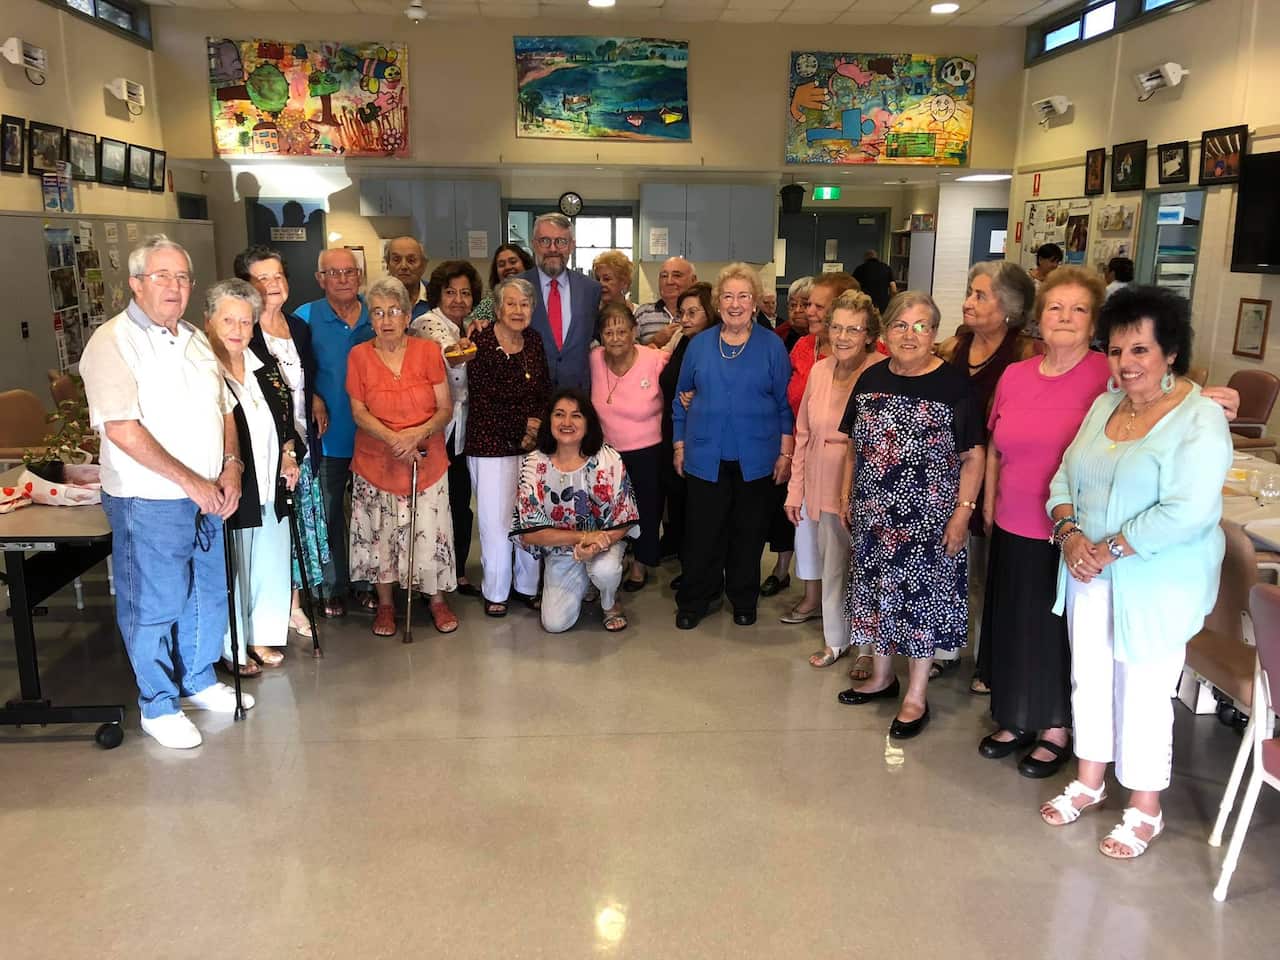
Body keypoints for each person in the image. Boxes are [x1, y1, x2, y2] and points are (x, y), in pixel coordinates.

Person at [981, 268, 1241, 778]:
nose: (1064, 318)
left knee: (1090, 658)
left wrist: (1214, 398)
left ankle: (1074, 742)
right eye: (1055, 307)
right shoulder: (1037, 379)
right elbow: (1012, 451)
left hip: (1112, 551)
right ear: (1038, 316)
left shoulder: (1110, 374)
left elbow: (1171, 400)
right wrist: (1002, 509)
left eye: (1078, 309)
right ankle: (1039, 735)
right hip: (1041, 526)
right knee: (1043, 641)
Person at [1040, 285, 1232, 860]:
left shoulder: (1199, 418)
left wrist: (1112, 548)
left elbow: (1190, 510)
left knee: (1144, 691)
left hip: (1155, 582)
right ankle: (1090, 780)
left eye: (1141, 350)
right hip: (1085, 571)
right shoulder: (1105, 405)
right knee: (1089, 677)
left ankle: (1145, 806)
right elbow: (1064, 476)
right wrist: (1071, 534)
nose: (1126, 363)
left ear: (1170, 352)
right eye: (1119, 350)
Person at [80, 235, 249, 749]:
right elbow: (123, 430)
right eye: (161, 276)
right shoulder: (111, 343)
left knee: (206, 592)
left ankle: (197, 680)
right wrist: (193, 482)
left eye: (182, 277)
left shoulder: (196, 337)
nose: (174, 287)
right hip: (149, 499)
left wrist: (231, 467)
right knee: (154, 601)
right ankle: (157, 703)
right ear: (135, 283)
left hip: (210, 494)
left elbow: (224, 411)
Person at [836, 292, 985, 740]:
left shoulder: (955, 386)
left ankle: (916, 695)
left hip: (928, 521)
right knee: (879, 598)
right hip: (872, 515)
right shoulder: (871, 377)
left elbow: (974, 457)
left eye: (921, 326)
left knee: (920, 607)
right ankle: (883, 677)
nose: (910, 335)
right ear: (884, 333)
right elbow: (852, 445)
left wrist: (962, 514)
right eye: (900, 325)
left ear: (934, 333)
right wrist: (846, 494)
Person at [936, 260, 1042, 689]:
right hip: (948, 473)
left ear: (1010, 307)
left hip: (999, 476)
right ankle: (942, 647)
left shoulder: (1026, 354)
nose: (967, 302)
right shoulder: (953, 346)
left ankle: (985, 659)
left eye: (980, 295)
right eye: (970, 293)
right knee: (946, 565)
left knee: (987, 572)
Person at [672, 264, 793, 629]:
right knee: (702, 534)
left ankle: (743, 597)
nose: (735, 304)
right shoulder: (699, 344)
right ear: (717, 302)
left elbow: (785, 405)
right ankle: (697, 598)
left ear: (755, 303)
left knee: (748, 532)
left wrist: (786, 454)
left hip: (757, 456)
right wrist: (679, 446)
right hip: (704, 453)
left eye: (743, 296)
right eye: (728, 296)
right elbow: (680, 399)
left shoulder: (772, 346)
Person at [346, 277, 457, 637]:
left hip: (425, 455)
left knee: (428, 531)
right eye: (378, 312)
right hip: (376, 458)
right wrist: (394, 438)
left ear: (408, 315)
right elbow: (359, 411)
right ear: (371, 318)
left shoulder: (427, 352)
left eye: (394, 311)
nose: (387, 319)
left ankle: (436, 599)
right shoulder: (359, 355)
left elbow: (444, 408)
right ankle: (387, 604)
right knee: (382, 535)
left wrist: (414, 435)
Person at [205, 279, 302, 676]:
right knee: (234, 568)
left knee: (269, 562)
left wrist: (290, 454)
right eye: (228, 320)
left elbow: (286, 418)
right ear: (208, 321)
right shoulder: (204, 371)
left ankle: (261, 634)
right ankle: (232, 645)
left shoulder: (265, 366)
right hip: (231, 488)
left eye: (246, 322)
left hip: (270, 484)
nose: (237, 330)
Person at [785, 290, 884, 676]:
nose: (843, 337)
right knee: (834, 567)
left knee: (867, 570)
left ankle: (868, 648)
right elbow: (804, 433)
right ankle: (835, 639)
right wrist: (796, 490)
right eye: (837, 327)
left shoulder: (881, 371)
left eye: (853, 329)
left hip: (866, 488)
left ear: (869, 334)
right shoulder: (820, 370)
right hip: (820, 482)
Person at [235, 245, 331, 643]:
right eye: (261, 279)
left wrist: (314, 398)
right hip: (268, 452)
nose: (272, 285)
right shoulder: (243, 331)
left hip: (303, 444)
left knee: (300, 528)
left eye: (277, 276)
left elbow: (301, 381)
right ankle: (265, 615)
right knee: (274, 532)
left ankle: (292, 606)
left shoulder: (299, 327)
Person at [763, 272, 860, 609]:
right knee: (806, 527)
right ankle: (812, 596)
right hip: (804, 450)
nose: (809, 312)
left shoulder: (870, 353)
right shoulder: (803, 346)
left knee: (841, 537)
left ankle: (845, 609)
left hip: (846, 458)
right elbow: (785, 399)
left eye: (819, 305)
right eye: (807, 304)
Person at [512, 389, 641, 633]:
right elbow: (529, 532)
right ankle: (587, 582)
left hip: (605, 544)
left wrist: (594, 545)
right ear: (549, 420)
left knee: (604, 570)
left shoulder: (607, 458)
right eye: (559, 414)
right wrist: (582, 538)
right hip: (563, 551)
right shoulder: (534, 463)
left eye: (576, 416)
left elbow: (625, 518)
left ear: (588, 422)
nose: (567, 422)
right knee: (554, 624)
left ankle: (610, 600)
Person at [465, 277, 553, 616]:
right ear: (498, 308)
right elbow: (484, 399)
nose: (518, 310)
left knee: (529, 515)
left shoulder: (533, 340)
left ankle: (527, 586)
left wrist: (535, 426)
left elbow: (543, 388)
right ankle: (496, 591)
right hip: (490, 444)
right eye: (511, 304)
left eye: (525, 304)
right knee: (497, 521)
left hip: (532, 444)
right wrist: (523, 427)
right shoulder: (481, 342)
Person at [295, 247, 373, 618]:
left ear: (359, 275)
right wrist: (312, 397)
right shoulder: (305, 317)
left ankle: (367, 583)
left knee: (368, 515)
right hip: (328, 436)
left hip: (374, 437)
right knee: (328, 514)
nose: (343, 278)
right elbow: (289, 370)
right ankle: (332, 587)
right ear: (320, 278)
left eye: (349, 271)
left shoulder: (377, 313)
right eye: (334, 272)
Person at [410, 260, 482, 597]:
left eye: (465, 293)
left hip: (463, 429)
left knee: (460, 501)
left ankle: (457, 570)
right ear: (437, 294)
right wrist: (476, 341)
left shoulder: (464, 324)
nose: (457, 299)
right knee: (438, 504)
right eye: (450, 292)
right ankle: (432, 576)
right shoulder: (428, 323)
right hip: (436, 429)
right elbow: (452, 355)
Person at [590, 302, 671, 591]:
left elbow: (681, 383)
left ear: (634, 331)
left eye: (621, 330)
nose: (615, 338)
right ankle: (616, 556)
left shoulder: (655, 359)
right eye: (608, 332)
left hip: (648, 450)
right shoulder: (594, 359)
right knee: (612, 509)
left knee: (646, 510)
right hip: (607, 453)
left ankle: (641, 565)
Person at [658, 282, 717, 575]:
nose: (686, 318)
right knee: (678, 498)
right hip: (674, 427)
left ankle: (699, 569)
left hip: (703, 435)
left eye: (693, 312)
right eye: (682, 312)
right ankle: (684, 558)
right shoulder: (683, 340)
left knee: (699, 507)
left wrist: (702, 396)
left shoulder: (715, 343)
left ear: (710, 311)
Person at [520, 213, 601, 391]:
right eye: (545, 241)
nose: (553, 249)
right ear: (534, 244)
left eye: (561, 241)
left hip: (577, 396)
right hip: (529, 395)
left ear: (572, 245)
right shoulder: (515, 287)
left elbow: (596, 335)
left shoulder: (591, 290)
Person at [635, 256, 697, 347]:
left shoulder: (701, 314)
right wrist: (655, 341)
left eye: (676, 275)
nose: (669, 281)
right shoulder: (643, 313)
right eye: (664, 276)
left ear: (693, 280)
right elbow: (628, 355)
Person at [471, 243, 533, 327]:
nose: (507, 267)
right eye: (501, 265)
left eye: (513, 262)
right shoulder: (488, 303)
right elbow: (475, 326)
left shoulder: (541, 296)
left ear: (525, 265)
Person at [384, 236, 430, 320]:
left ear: (423, 265)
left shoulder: (438, 295)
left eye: (411, 260)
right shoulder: (375, 298)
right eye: (396, 260)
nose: (403, 266)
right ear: (387, 264)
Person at [773, 276, 812, 351]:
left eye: (805, 304)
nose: (797, 310)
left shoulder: (825, 339)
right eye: (793, 305)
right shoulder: (777, 335)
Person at [852, 249, 896, 314]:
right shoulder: (886, 268)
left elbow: (853, 287)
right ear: (876, 257)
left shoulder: (860, 269)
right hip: (883, 304)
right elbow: (893, 289)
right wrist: (892, 302)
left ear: (865, 258)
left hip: (865, 303)